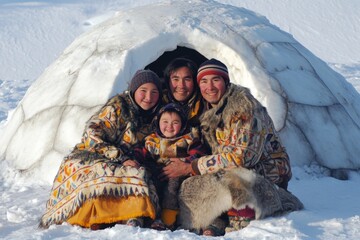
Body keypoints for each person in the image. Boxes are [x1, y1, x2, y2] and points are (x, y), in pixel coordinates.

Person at [162, 58, 297, 236]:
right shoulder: (210, 109)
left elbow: (240, 158)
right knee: (191, 185)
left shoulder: (243, 108)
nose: (209, 87)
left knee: (235, 179)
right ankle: (210, 222)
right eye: (204, 81)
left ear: (226, 81)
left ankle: (247, 217)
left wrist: (191, 166)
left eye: (215, 80)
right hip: (226, 169)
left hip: (264, 171)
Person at [39, 70, 163, 230]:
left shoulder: (156, 117)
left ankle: (129, 216)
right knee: (100, 174)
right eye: (143, 91)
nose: (149, 97)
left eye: (154, 92)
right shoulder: (118, 107)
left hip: (130, 161)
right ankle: (93, 216)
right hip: (92, 155)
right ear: (134, 91)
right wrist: (121, 158)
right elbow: (92, 135)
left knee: (139, 175)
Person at [133, 102, 209, 230]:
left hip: (177, 175)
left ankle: (167, 218)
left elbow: (199, 153)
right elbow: (140, 152)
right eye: (165, 122)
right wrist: (134, 160)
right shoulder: (152, 140)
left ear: (182, 124)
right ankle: (143, 216)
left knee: (171, 188)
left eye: (175, 122)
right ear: (158, 123)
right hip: (156, 173)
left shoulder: (188, 139)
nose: (169, 126)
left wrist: (188, 161)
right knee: (146, 184)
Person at [163, 57, 204, 127]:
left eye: (187, 79)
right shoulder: (157, 104)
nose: (181, 85)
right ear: (168, 81)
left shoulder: (205, 106)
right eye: (176, 79)